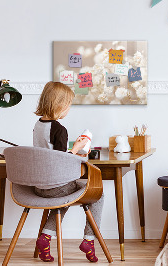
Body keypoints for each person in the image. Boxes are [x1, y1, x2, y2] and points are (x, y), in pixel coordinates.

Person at [33, 81, 103, 263]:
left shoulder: (38, 125)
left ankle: (45, 238)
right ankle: (89, 240)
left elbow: (50, 154)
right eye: (69, 104)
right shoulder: (59, 129)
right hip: (56, 186)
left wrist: (72, 149)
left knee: (64, 198)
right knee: (98, 194)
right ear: (59, 105)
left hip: (39, 186)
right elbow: (60, 161)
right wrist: (77, 149)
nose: (69, 109)